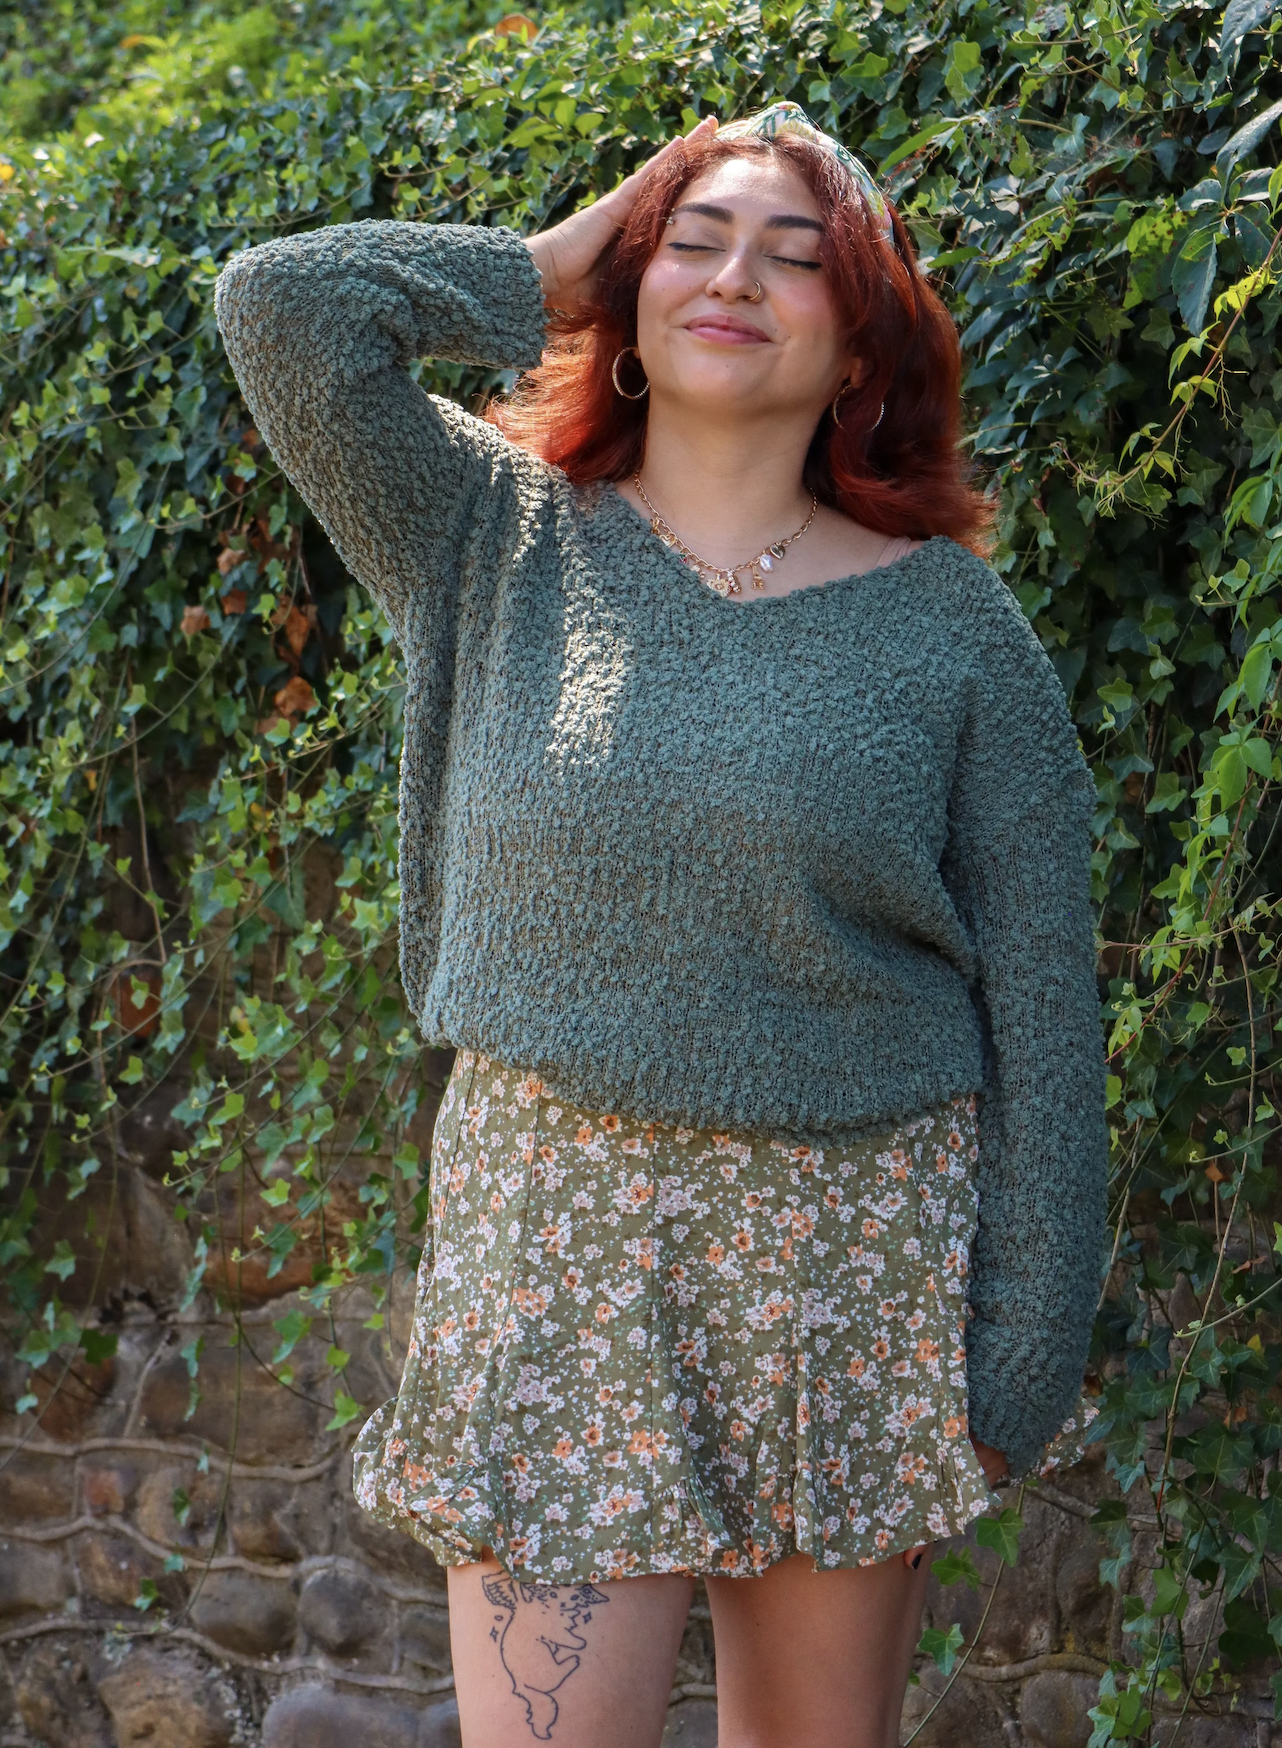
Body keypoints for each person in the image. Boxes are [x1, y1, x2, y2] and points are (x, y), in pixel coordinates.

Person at [214, 102, 1107, 1748]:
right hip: (555, 1249)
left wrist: (1016, 1362)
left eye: (795, 255)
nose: (734, 276)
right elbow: (282, 307)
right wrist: (556, 261)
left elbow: (1050, 1020)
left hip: (852, 1268)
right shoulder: (485, 537)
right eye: (692, 242)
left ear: (860, 348)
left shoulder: (958, 637)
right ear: (626, 302)